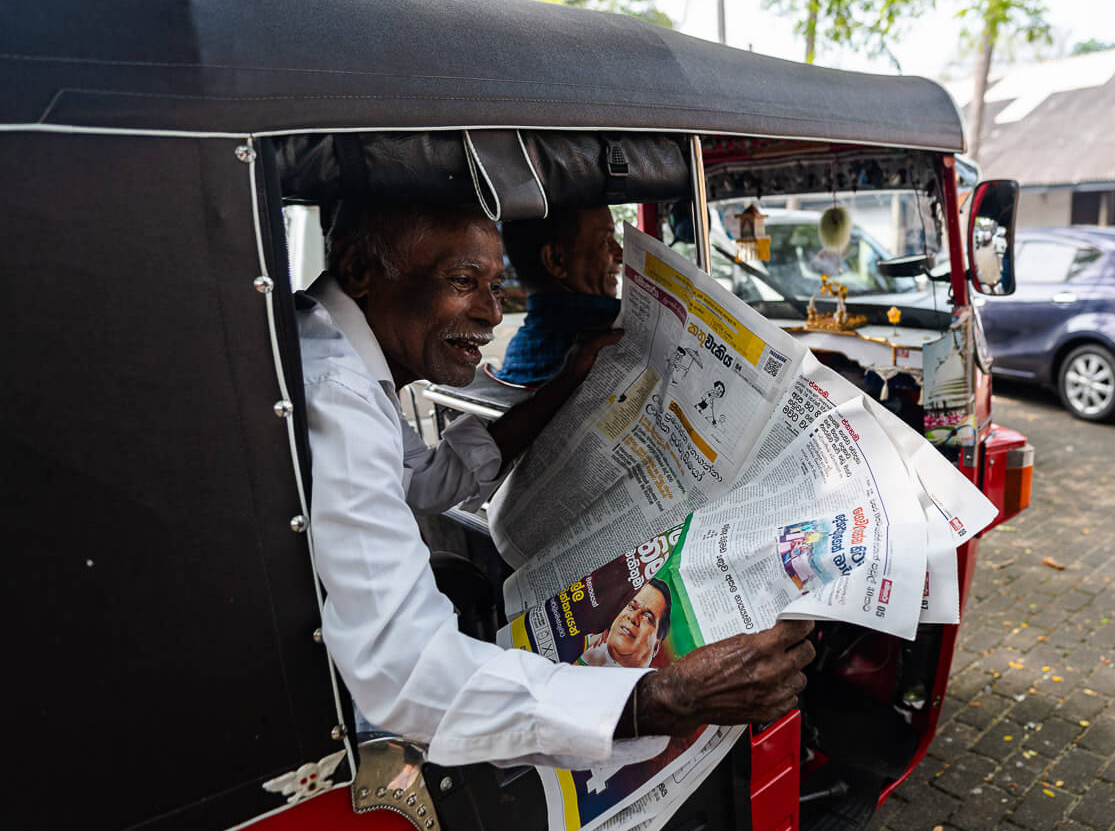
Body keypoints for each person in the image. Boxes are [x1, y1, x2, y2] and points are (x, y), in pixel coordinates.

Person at [297, 199, 815, 770]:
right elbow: (407, 672)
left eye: (497, 286)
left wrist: (569, 380)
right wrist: (662, 698)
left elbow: (423, 481)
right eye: (464, 281)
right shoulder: (335, 394)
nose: (494, 314)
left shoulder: (341, 356)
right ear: (359, 270)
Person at [493, 206, 624, 387]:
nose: (621, 255)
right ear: (556, 259)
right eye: (607, 240)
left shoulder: (518, 352)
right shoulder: (616, 327)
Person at [579, 580, 672, 669]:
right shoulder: (586, 645)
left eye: (647, 618)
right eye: (631, 606)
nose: (632, 617)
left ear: (656, 647)